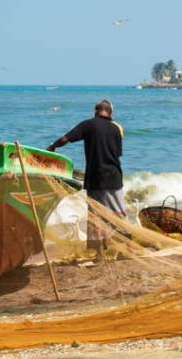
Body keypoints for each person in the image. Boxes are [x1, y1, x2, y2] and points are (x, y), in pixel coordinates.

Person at [47, 99, 125, 260]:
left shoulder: (88, 124)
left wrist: (52, 147)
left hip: (96, 177)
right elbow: (116, 154)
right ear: (111, 115)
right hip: (115, 176)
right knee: (120, 214)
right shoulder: (117, 129)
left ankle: (100, 255)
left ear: (95, 111)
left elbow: (65, 139)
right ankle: (127, 250)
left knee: (95, 217)